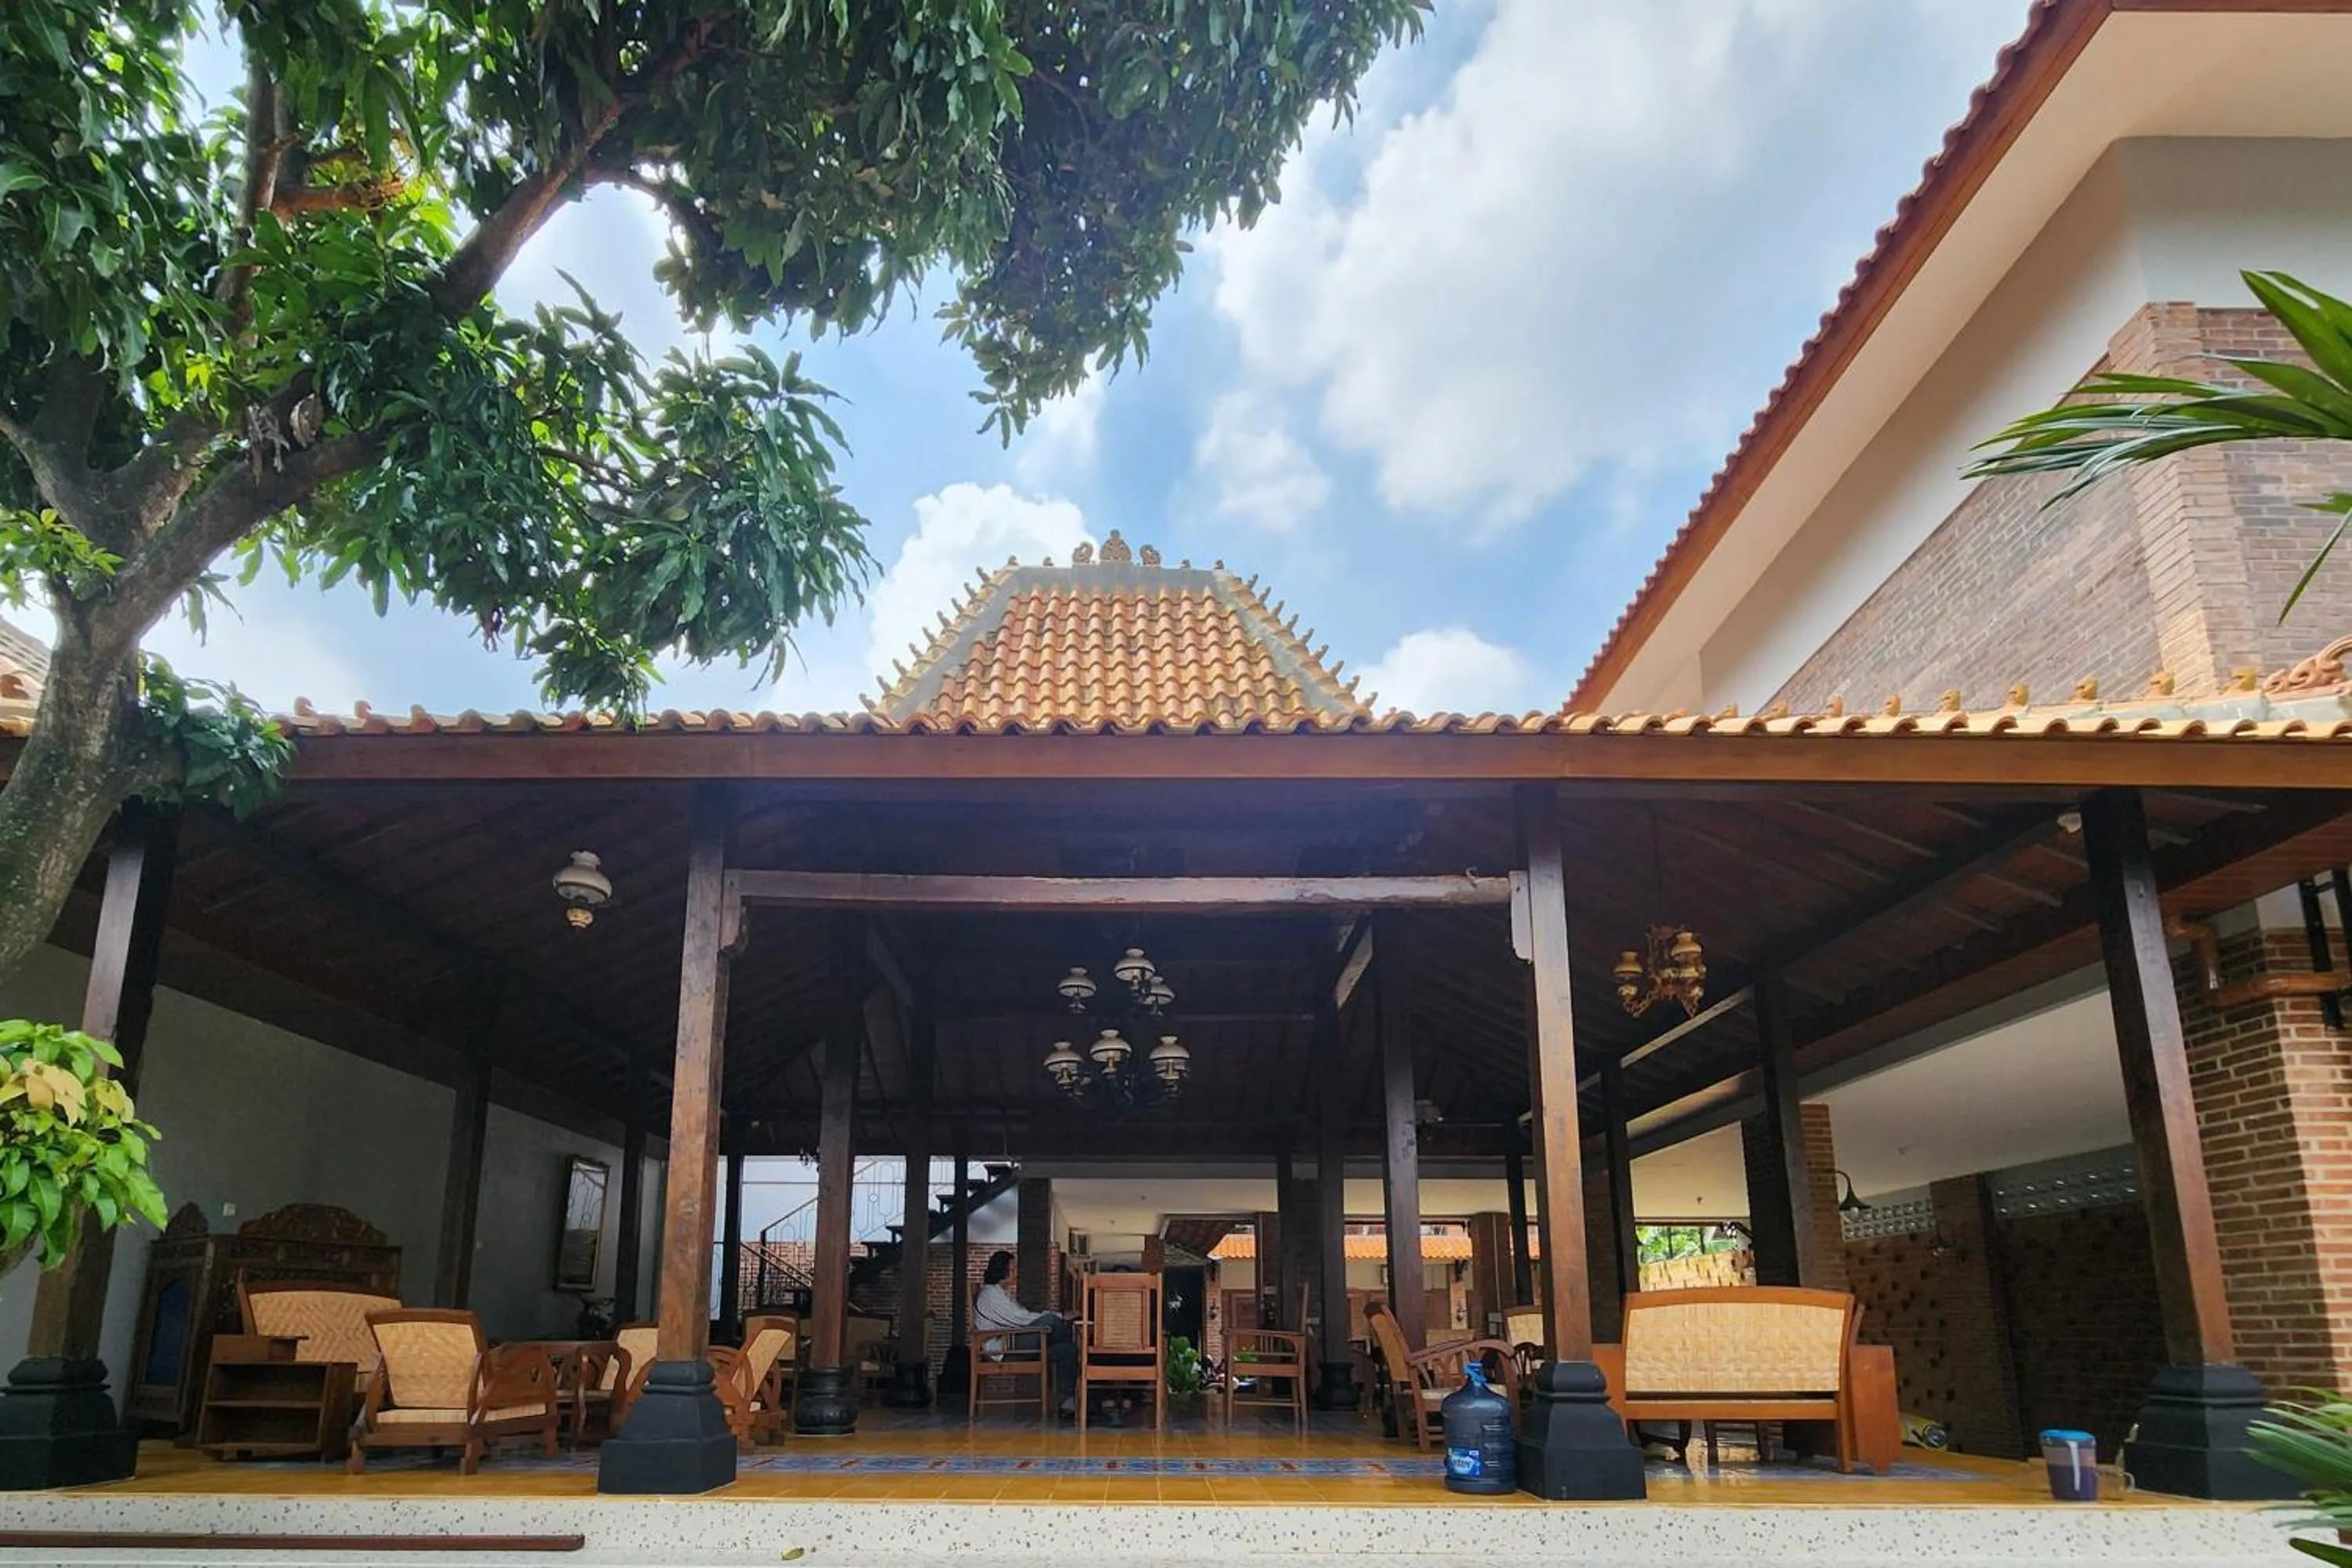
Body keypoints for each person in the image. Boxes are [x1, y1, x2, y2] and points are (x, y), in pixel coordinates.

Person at [974, 1250, 1080, 1417]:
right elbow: (1021, 1319)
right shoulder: (990, 1295)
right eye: (1014, 1269)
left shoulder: (1002, 1293)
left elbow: (1022, 1317)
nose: (1016, 1273)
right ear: (1003, 1271)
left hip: (1015, 1343)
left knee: (1068, 1350)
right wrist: (1058, 1316)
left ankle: (1067, 1403)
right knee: (1052, 1321)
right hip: (1005, 1350)